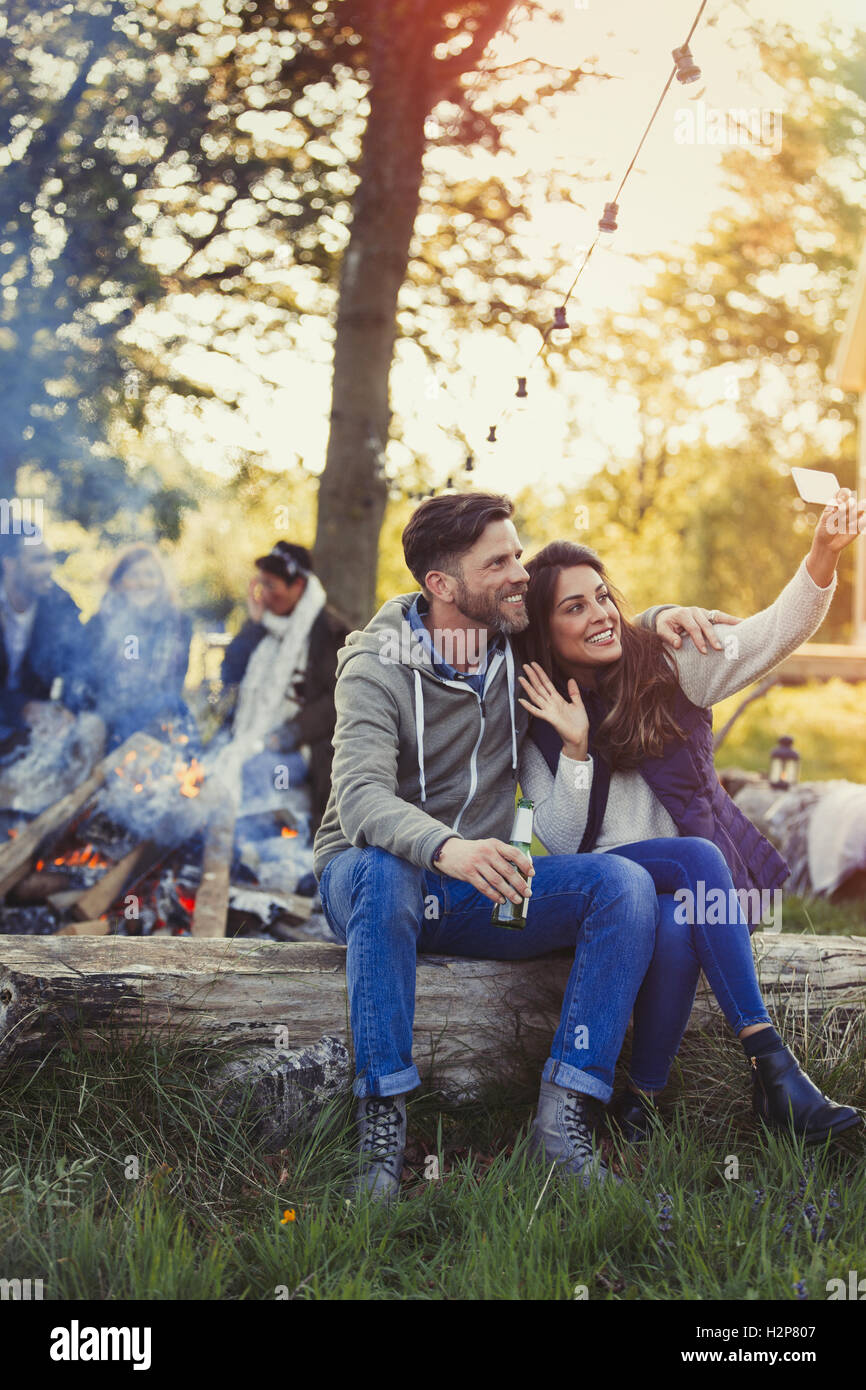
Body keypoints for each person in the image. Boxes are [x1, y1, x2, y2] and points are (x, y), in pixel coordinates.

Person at [313, 492, 727, 1202]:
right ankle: (382, 1127)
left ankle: (563, 1119)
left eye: (518, 553)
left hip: (476, 886)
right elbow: (360, 803)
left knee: (620, 888)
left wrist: (660, 618)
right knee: (386, 870)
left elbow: (598, 616)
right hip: (371, 879)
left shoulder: (511, 636)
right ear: (442, 586)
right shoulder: (375, 667)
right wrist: (449, 848)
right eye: (500, 562)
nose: (520, 573)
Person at [515, 488, 866, 1147]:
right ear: (546, 630)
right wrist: (574, 747)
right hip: (603, 887)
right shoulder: (536, 709)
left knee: (680, 922)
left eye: (602, 596)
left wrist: (821, 556)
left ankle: (641, 1107)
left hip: (686, 896)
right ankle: (773, 1067)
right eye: (574, 606)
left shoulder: (666, 662)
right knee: (696, 860)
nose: (599, 615)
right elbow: (559, 841)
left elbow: (771, 632)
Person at [221, 541, 350, 836]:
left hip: (305, 745)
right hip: (254, 736)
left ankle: (270, 846)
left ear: (298, 586)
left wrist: (289, 734)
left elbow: (339, 699)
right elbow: (230, 672)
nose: (264, 594)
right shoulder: (263, 627)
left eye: (271, 585)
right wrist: (254, 624)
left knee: (257, 769)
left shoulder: (330, 632)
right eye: (260, 585)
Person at [82, 544, 196, 752]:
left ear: (161, 582)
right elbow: (85, 683)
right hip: (107, 718)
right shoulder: (99, 624)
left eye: (150, 575)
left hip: (159, 716)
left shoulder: (179, 624)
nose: (142, 582)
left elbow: (175, 683)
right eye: (133, 575)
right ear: (118, 583)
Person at [0, 532, 88, 750]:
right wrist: (21, 707)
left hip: (31, 724)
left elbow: (81, 665)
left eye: (50, 559)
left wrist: (67, 707)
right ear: (9, 563)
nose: (49, 568)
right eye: (38, 560)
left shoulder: (59, 604)